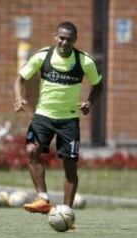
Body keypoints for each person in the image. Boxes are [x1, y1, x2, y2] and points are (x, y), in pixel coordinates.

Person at [13, 21, 103, 214]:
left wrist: (89, 103)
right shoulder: (42, 56)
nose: (64, 42)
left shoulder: (84, 61)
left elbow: (99, 84)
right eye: (61, 38)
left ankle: (66, 211)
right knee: (31, 151)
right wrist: (19, 97)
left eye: (69, 40)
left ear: (75, 40)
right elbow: (20, 78)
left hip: (69, 120)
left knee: (70, 166)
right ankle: (43, 199)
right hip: (43, 116)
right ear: (55, 37)